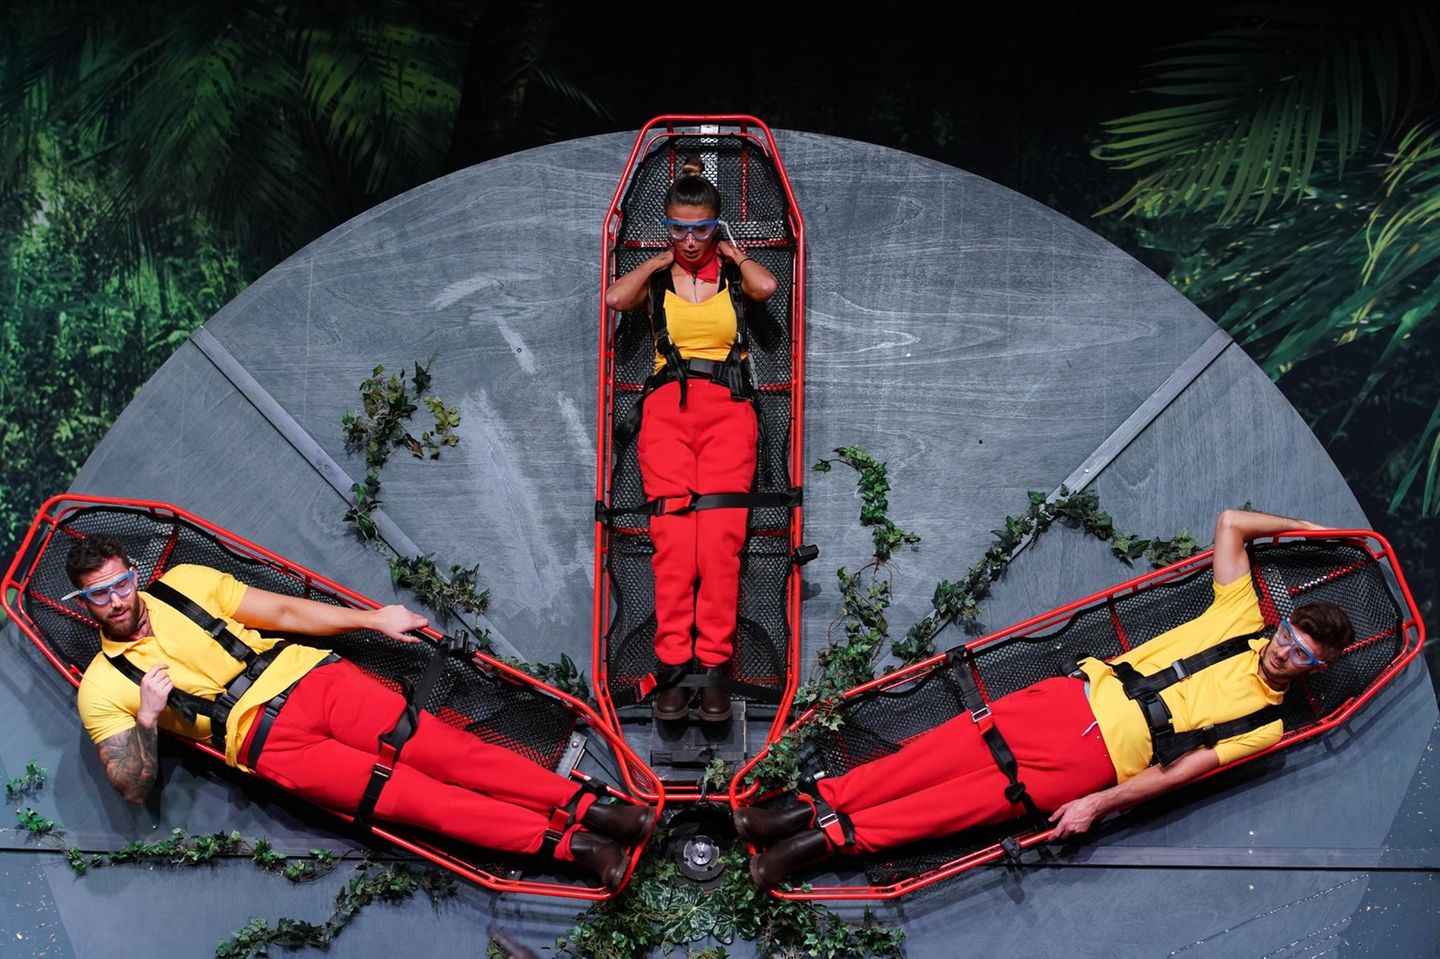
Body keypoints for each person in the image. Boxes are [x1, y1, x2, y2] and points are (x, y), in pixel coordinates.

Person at [736, 508, 1355, 888]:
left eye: (1303, 655)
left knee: (953, 808)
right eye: (1288, 637)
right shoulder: (1240, 612)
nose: (1284, 653)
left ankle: (813, 846)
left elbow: (1177, 776)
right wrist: (1308, 531)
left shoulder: (1265, 724)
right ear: (1281, 625)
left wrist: (1098, 805)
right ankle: (796, 810)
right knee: (925, 760)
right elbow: (1232, 524)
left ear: (1315, 670)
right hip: (1065, 705)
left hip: (1095, 764)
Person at [65, 534, 651, 890]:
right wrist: (147, 719)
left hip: (316, 682)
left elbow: (286, 614)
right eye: (99, 594)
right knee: (422, 802)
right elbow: (133, 786)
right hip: (271, 745)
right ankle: (574, 848)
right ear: (82, 602)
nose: (116, 599)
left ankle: (592, 809)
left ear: (133, 573)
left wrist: (373, 620)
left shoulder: (183, 583)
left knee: (453, 753)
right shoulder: (102, 684)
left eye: (120, 583)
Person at [604, 156, 779, 723]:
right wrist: (658, 259)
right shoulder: (659, 277)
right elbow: (615, 299)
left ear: (716, 226)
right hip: (666, 415)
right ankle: (675, 669)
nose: (690, 240)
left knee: (719, 547)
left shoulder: (730, 272)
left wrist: (736, 252)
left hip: (728, 412)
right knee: (675, 547)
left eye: (702, 227)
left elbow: (767, 285)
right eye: (678, 228)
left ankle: (714, 670)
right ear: (667, 226)